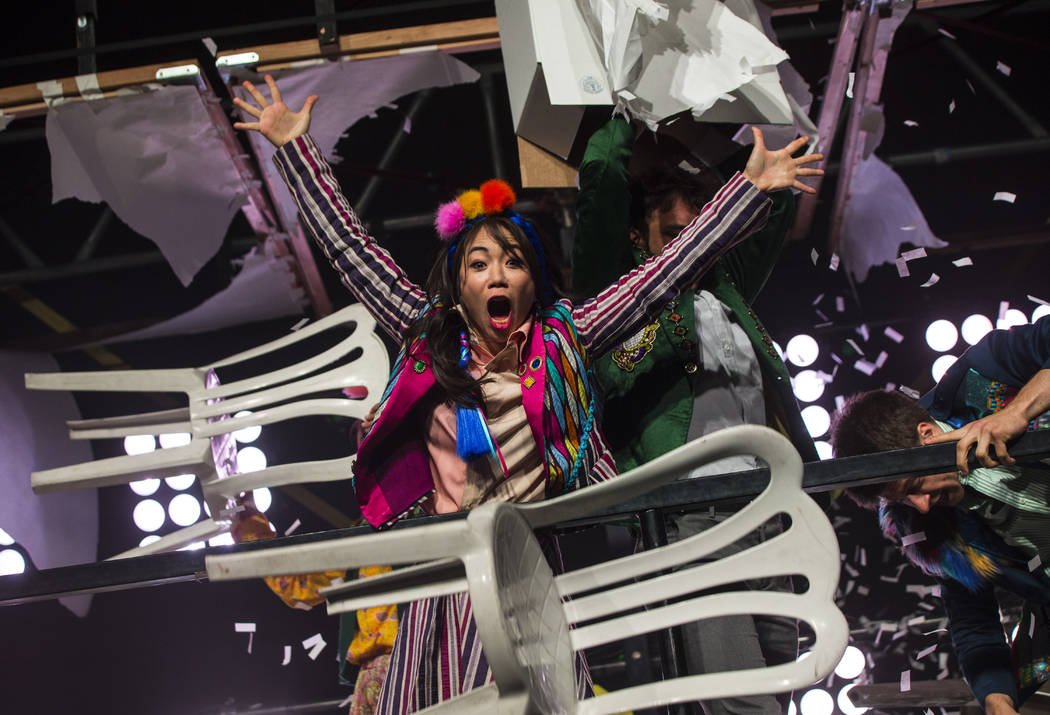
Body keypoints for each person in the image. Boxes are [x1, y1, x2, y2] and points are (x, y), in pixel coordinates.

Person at [232, 75, 822, 713]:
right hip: (445, 572)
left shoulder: (562, 339)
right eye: (479, 262)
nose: (497, 274)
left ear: (531, 281)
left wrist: (748, 192)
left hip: (534, 571)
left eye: (512, 261)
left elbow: (661, 277)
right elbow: (353, 251)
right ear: (458, 285)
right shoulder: (430, 336)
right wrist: (295, 151)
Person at [572, 116, 819, 714]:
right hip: (688, 512)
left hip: (764, 506)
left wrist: (769, 156)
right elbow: (603, 180)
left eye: (698, 225)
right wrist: (622, 113)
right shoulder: (617, 294)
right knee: (740, 703)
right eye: (673, 230)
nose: (690, 237)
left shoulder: (724, 288)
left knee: (782, 690)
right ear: (638, 236)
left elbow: (767, 214)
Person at [830, 315, 1050, 715]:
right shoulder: (917, 526)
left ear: (927, 436)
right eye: (902, 502)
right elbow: (974, 623)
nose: (922, 507)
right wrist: (999, 706)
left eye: (915, 488)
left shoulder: (985, 372)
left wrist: (1017, 412)